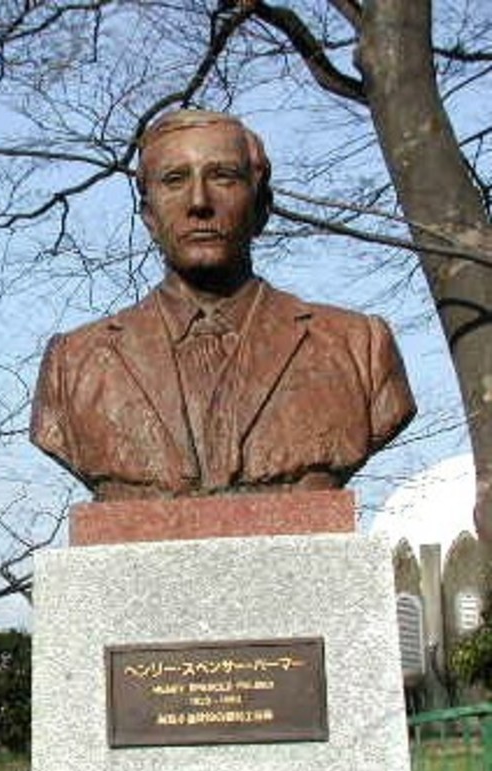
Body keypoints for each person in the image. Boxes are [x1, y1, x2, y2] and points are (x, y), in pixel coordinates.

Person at [30, 109, 416, 501]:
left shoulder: (358, 347)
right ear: (149, 216)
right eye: (175, 180)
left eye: (223, 177)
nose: (199, 202)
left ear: (261, 207)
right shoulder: (74, 363)